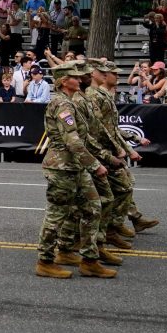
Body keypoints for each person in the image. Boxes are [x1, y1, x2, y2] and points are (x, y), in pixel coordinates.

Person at [34, 62, 114, 279]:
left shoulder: (70, 102)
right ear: (63, 81)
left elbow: (84, 137)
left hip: (75, 167)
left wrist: (105, 157)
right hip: (62, 168)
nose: (80, 80)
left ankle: (89, 260)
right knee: (56, 215)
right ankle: (45, 261)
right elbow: (73, 141)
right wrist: (95, 165)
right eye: (75, 77)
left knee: (93, 207)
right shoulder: (62, 105)